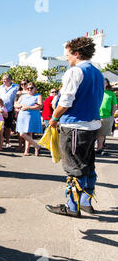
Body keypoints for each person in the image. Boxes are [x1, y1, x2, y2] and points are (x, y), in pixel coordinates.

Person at [46, 36, 104, 217]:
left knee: (74, 167)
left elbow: (66, 100)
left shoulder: (75, 72)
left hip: (75, 125)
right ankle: (86, 201)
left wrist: (54, 117)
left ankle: (72, 206)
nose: (67, 59)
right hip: (92, 125)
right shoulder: (98, 73)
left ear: (77, 54)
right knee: (87, 164)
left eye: (68, 55)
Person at [15, 82, 43, 156]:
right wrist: (20, 105)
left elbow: (40, 106)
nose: (29, 89)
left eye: (31, 88)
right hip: (22, 116)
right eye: (28, 88)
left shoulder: (38, 95)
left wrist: (28, 107)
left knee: (27, 133)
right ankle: (34, 147)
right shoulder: (23, 96)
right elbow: (15, 104)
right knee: (23, 133)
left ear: (35, 88)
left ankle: (30, 149)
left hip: (32, 116)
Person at [0, 74, 19, 148]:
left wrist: (16, 109)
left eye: (5, 79)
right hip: (0, 109)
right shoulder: (0, 87)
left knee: (8, 126)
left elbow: (18, 97)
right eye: (3, 79)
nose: (4, 81)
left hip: (10, 109)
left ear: (10, 80)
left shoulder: (16, 87)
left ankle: (7, 142)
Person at [96, 78, 117, 155]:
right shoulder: (95, 92)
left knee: (102, 134)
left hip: (106, 117)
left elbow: (114, 105)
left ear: (107, 84)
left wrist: (112, 115)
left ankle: (99, 148)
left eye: (105, 82)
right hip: (94, 117)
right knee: (93, 134)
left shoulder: (111, 94)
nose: (103, 84)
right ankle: (90, 149)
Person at [14, 79, 29, 151]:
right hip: (19, 112)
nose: (23, 85)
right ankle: (20, 145)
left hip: (28, 113)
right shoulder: (19, 93)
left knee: (27, 131)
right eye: (22, 84)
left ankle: (26, 147)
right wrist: (17, 110)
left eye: (25, 83)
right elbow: (15, 103)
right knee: (19, 131)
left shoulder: (30, 92)